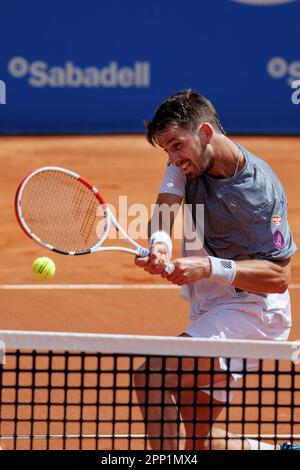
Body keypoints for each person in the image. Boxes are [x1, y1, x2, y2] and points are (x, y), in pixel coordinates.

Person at [134, 89, 299, 451]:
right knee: (197, 441)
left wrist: (209, 266)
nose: (173, 159)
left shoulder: (259, 192)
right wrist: (160, 243)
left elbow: (279, 277)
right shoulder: (186, 159)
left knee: (153, 375)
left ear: (205, 133)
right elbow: (166, 206)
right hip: (212, 306)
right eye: (167, 151)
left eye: (177, 146)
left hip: (253, 313)